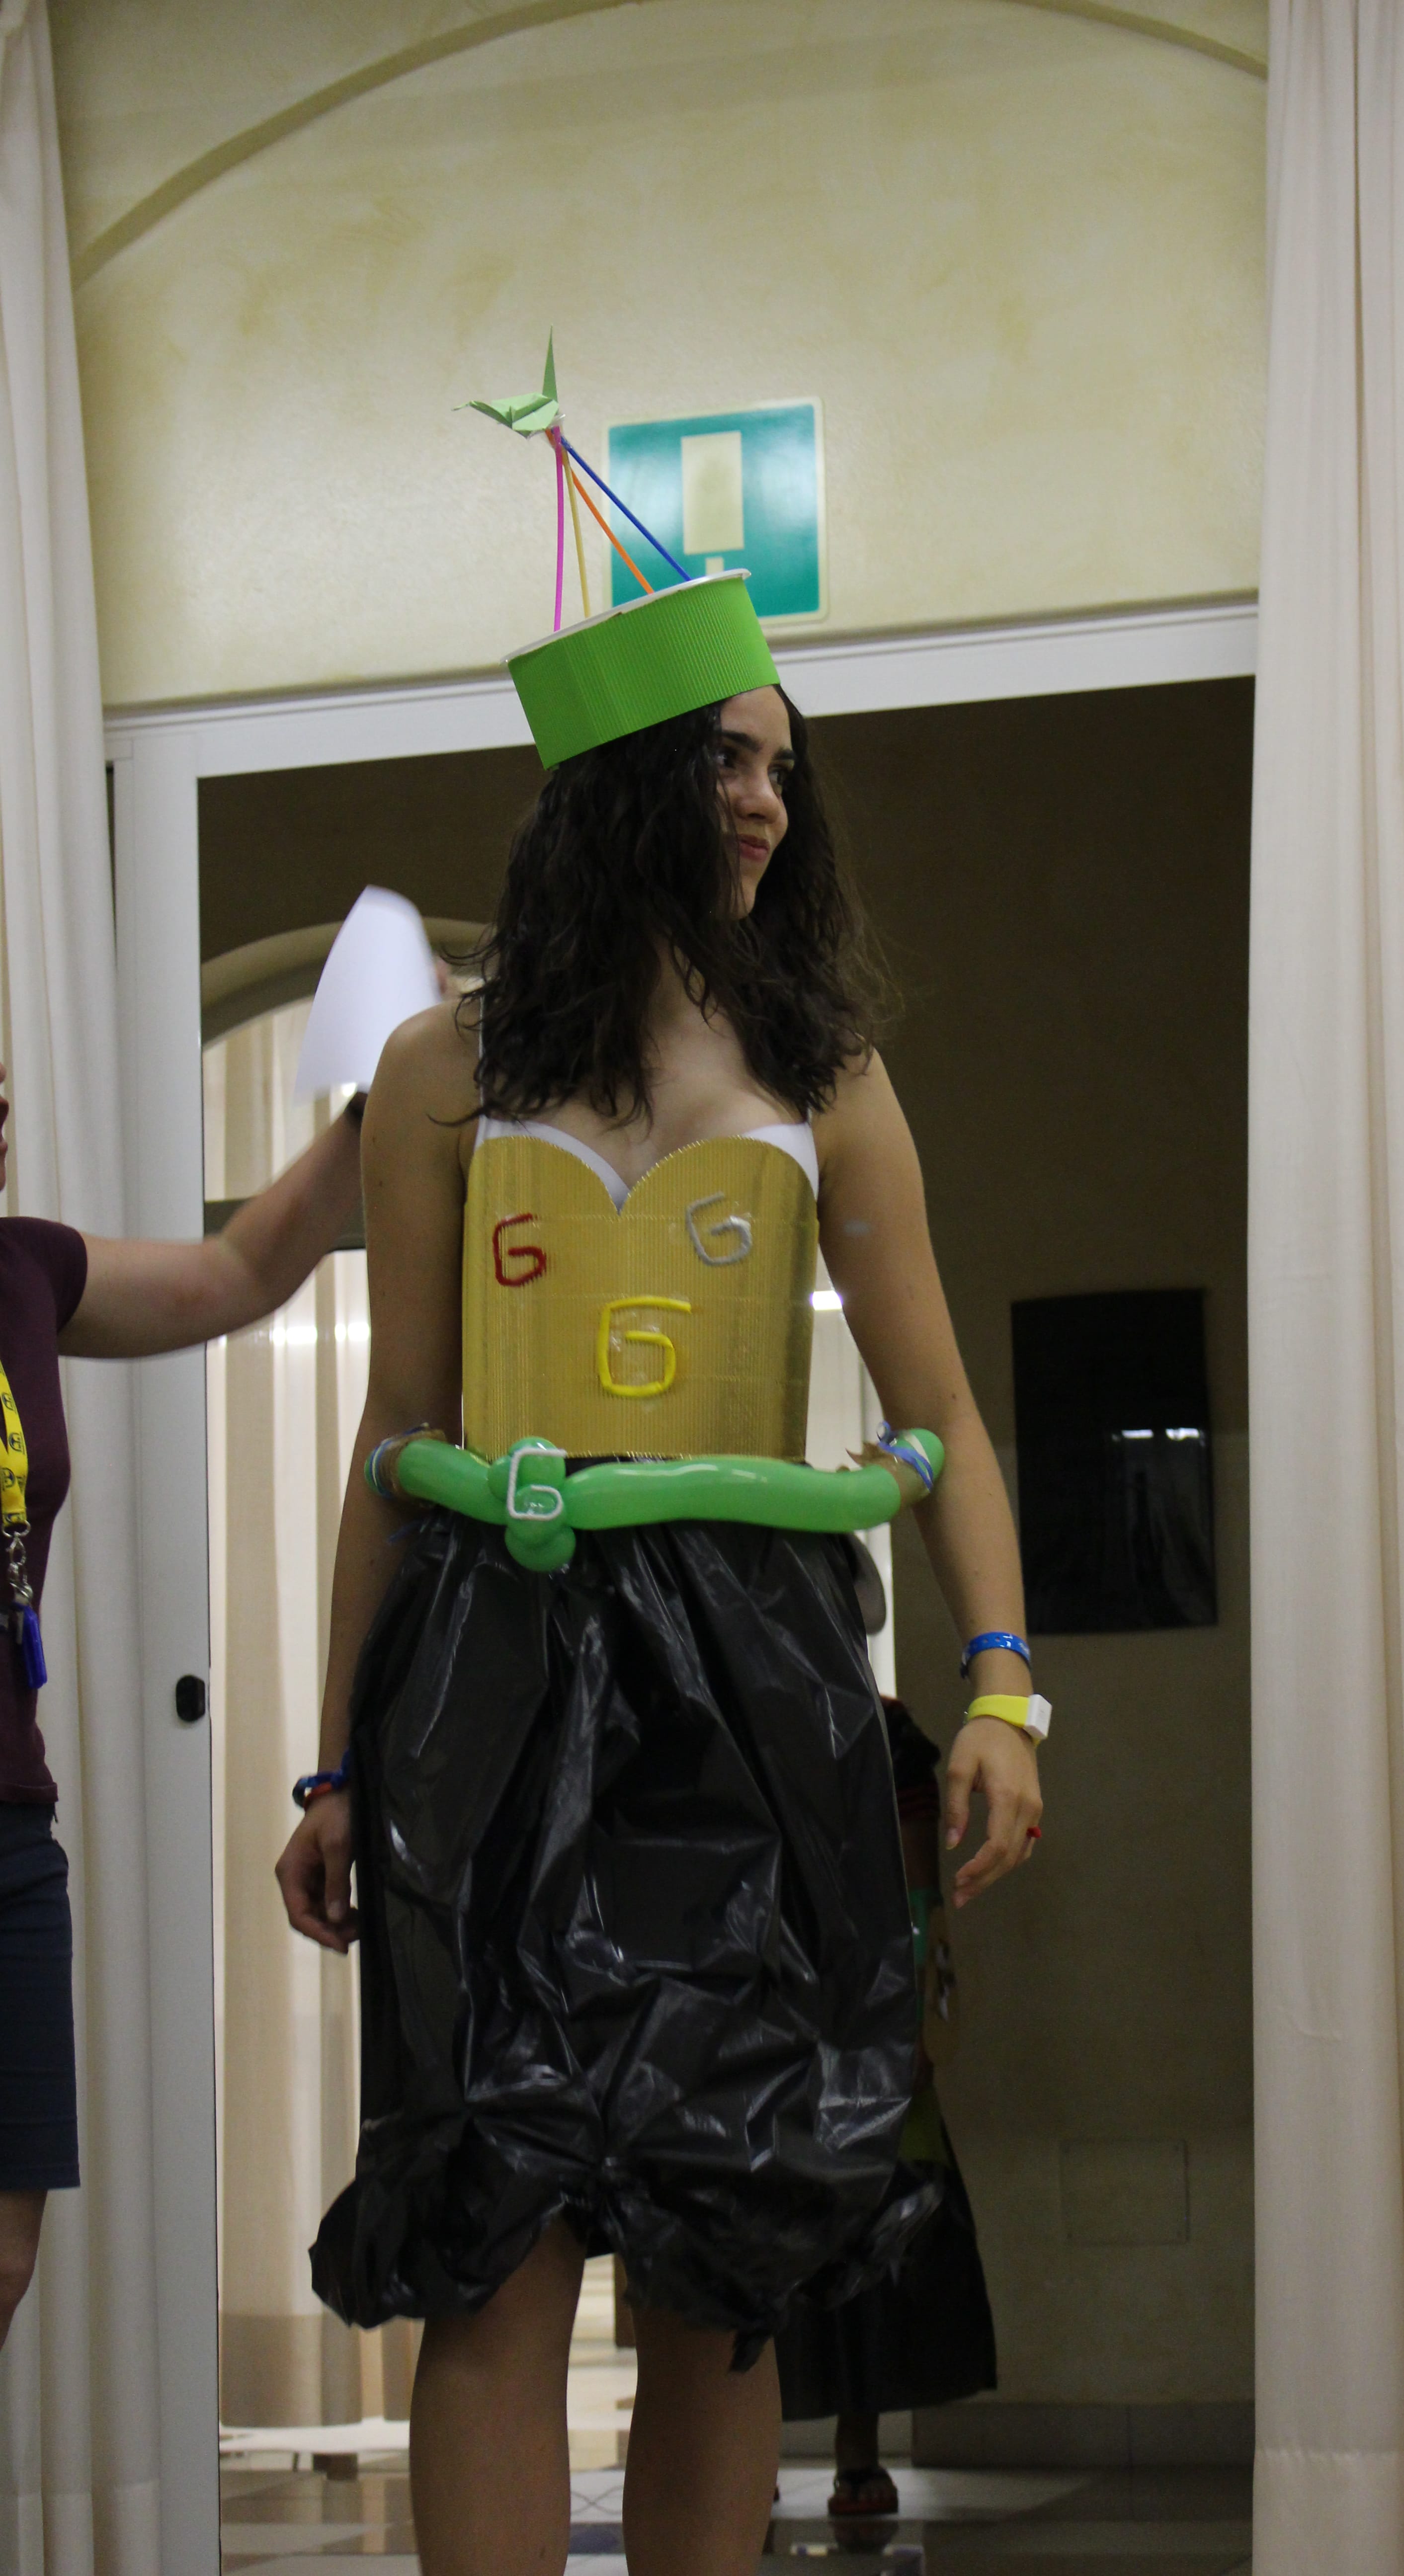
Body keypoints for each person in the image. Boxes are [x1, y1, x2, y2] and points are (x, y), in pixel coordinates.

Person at [273, 570, 1045, 2576]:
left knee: (730, 2238)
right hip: (493, 1668)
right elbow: (397, 1431)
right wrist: (335, 1765)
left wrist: (1003, 1687)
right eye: (727, 758)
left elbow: (941, 1416)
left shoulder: (828, 1076)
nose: (769, 800)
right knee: (493, 2224)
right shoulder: (440, 1075)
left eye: (784, 766)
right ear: (616, 784)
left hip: (752, 1683)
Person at [0, 1064, 363, 2348]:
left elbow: (237, 1273)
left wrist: (372, 1112)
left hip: (9, 1834)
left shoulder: (24, 1270)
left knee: (5, 2254)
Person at [774, 1685, 998, 2520]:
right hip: (755, 1986)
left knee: (870, 2224)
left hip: (861, 1998)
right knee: (743, 2223)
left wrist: (916, 2021)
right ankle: (737, 2452)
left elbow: (919, 1898)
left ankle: (855, 2447)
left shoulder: (888, 1737)